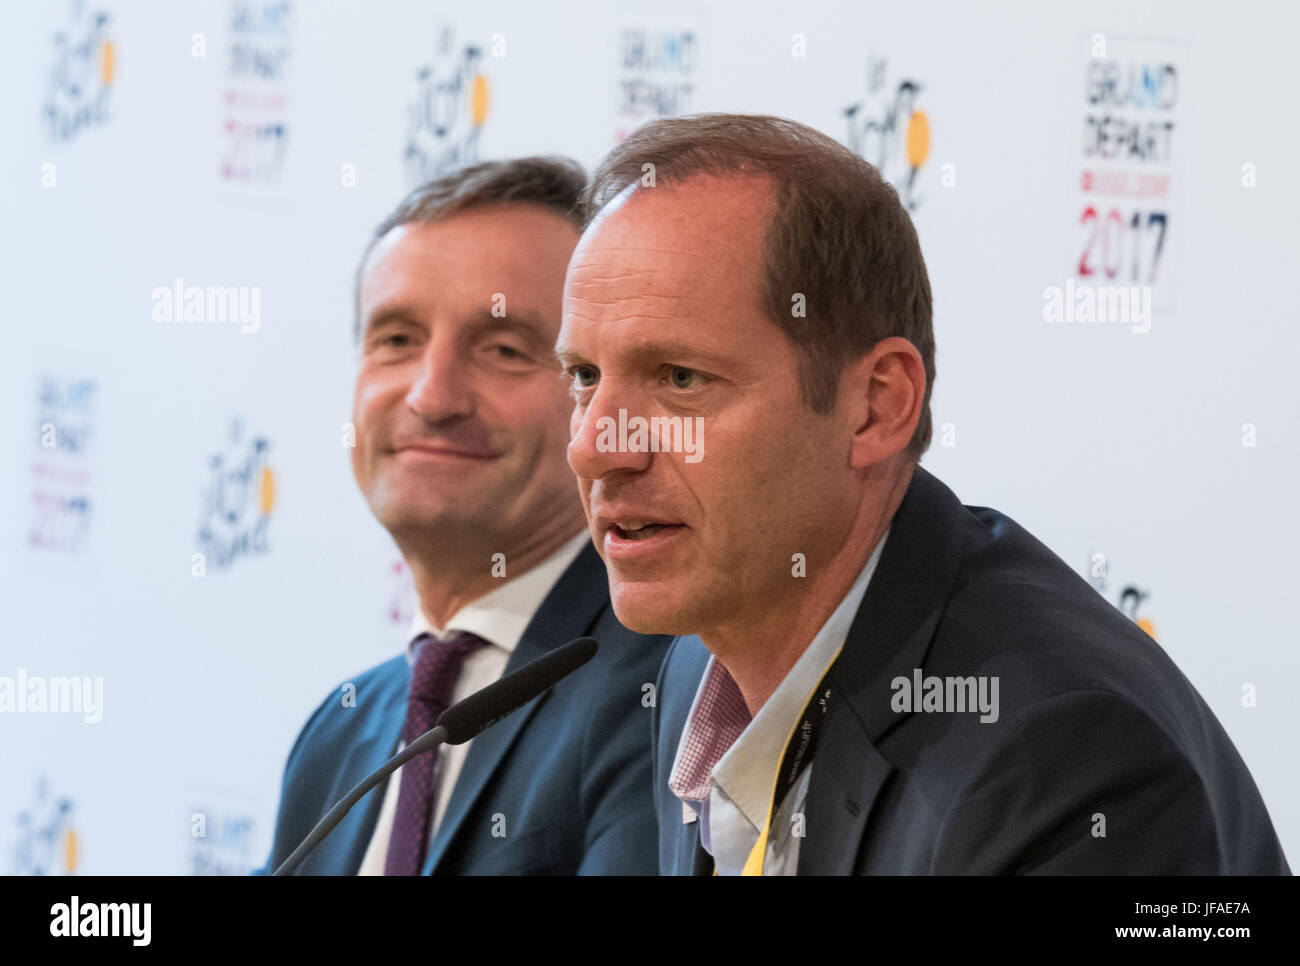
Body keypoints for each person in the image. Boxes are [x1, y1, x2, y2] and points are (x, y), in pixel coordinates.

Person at [558, 114, 1290, 875]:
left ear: (877, 406)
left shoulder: (1060, 757)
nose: (593, 447)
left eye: (681, 379)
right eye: (583, 376)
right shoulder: (697, 667)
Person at [259, 158, 671, 875]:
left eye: (505, 349)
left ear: (596, 394)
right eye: (396, 339)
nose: (432, 395)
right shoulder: (342, 732)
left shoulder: (669, 693)